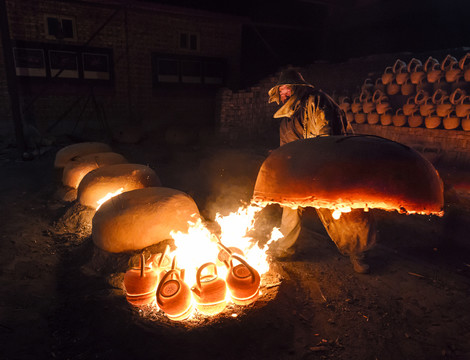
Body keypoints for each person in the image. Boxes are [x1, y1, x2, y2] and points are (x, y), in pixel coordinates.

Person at [267, 69, 376, 274]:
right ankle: (286, 248)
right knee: (290, 203)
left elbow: (327, 139)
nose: (284, 95)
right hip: (308, 169)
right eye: (281, 91)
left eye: (287, 89)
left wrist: (319, 174)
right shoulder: (287, 122)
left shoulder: (318, 102)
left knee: (343, 210)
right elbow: (287, 152)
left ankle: (359, 254)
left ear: (298, 89)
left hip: (335, 165)